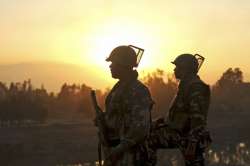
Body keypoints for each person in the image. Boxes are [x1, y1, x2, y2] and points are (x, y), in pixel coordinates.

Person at [148, 53, 212, 166]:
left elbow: (198, 119)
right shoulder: (186, 86)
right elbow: (179, 113)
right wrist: (160, 122)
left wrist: (192, 145)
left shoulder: (196, 87)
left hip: (187, 137)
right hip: (180, 133)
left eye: (177, 67)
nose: (174, 69)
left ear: (186, 69)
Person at [96, 45, 154, 166]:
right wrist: (103, 119)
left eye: (113, 62)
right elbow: (118, 116)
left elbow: (140, 128)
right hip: (118, 155)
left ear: (123, 64)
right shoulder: (119, 88)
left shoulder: (138, 91)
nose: (110, 66)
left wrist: (118, 150)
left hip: (132, 157)